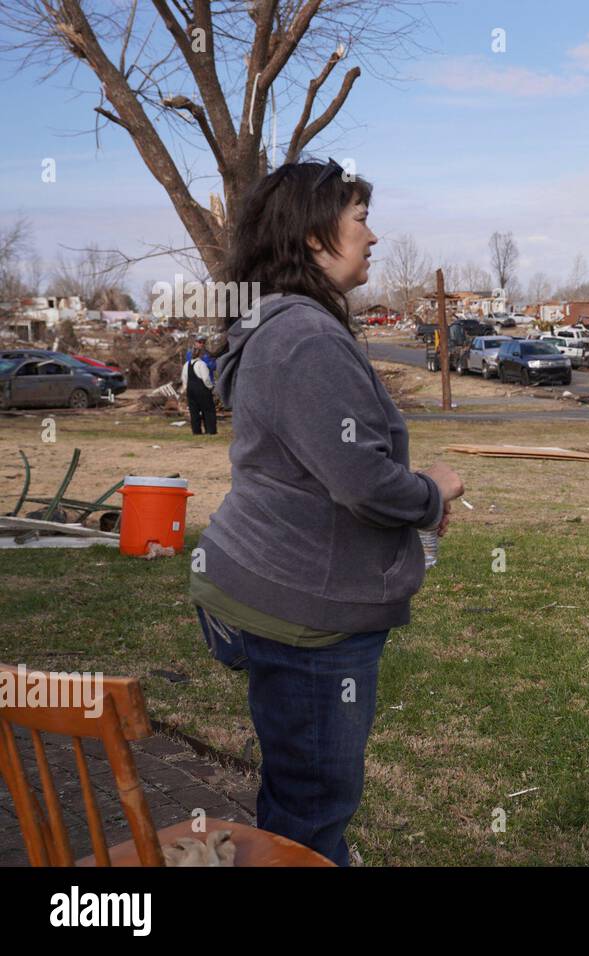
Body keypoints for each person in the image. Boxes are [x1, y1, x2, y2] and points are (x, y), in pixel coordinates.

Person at [189, 158, 465, 866]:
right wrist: (432, 491)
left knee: (296, 785)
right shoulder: (306, 338)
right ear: (314, 237)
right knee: (312, 809)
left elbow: (313, 464)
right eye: (361, 219)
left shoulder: (278, 325)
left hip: (254, 582)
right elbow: (363, 483)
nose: (374, 237)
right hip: (303, 610)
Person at [181, 337, 217, 435]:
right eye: (199, 342)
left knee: (194, 411)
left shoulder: (186, 365)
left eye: (203, 342)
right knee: (208, 410)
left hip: (191, 389)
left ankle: (196, 431)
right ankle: (210, 430)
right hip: (202, 388)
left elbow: (184, 378)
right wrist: (210, 387)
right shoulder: (202, 364)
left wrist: (185, 388)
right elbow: (206, 378)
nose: (201, 344)